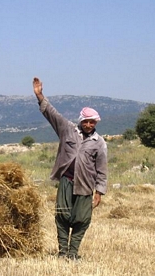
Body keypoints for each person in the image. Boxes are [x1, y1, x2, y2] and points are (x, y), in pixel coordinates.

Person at [32, 77, 108, 260]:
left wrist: (99, 192)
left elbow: (102, 169)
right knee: (62, 216)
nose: (89, 124)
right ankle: (63, 252)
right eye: (86, 121)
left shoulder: (99, 143)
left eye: (92, 122)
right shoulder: (68, 130)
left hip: (85, 185)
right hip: (66, 181)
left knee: (82, 219)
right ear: (81, 120)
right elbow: (52, 114)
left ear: (96, 123)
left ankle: (73, 253)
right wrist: (40, 95)